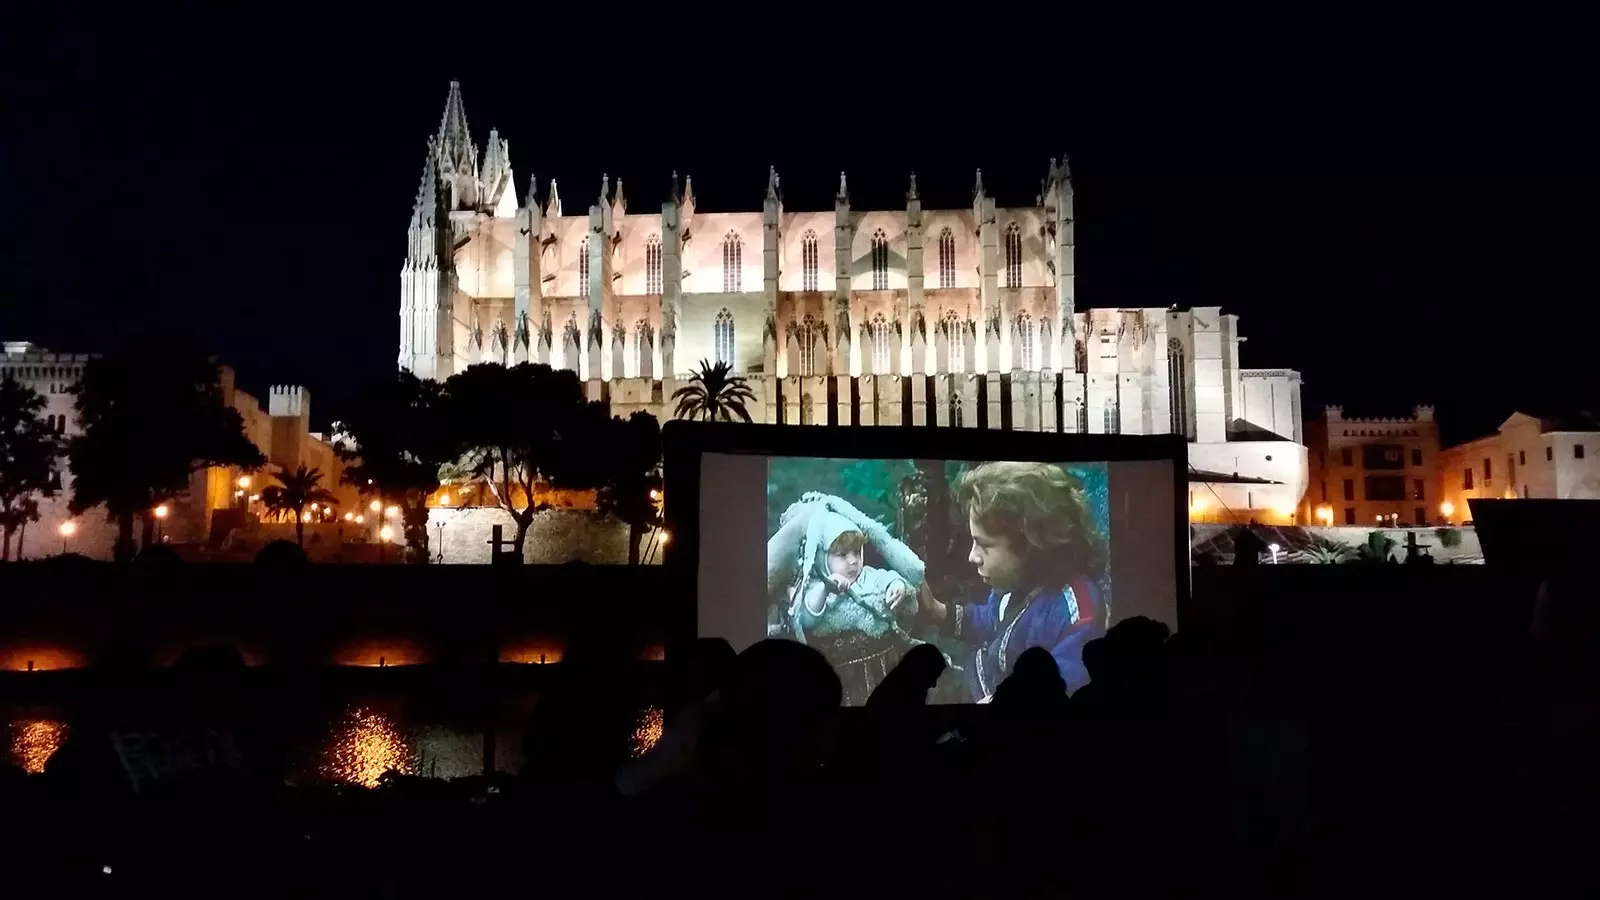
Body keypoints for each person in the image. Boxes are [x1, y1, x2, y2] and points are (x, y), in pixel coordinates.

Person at [908, 461, 1108, 700]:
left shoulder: (1077, 614)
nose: (972, 557)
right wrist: (939, 612)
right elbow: (992, 620)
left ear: (1031, 544)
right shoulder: (1016, 582)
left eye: (984, 544)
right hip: (975, 680)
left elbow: (1053, 696)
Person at [766, 494, 927, 704]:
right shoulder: (814, 586)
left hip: (883, 667)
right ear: (822, 558)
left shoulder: (868, 575)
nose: (853, 561)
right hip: (841, 678)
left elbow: (888, 577)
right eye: (842, 555)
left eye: (857, 552)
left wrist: (896, 586)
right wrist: (826, 588)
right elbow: (806, 615)